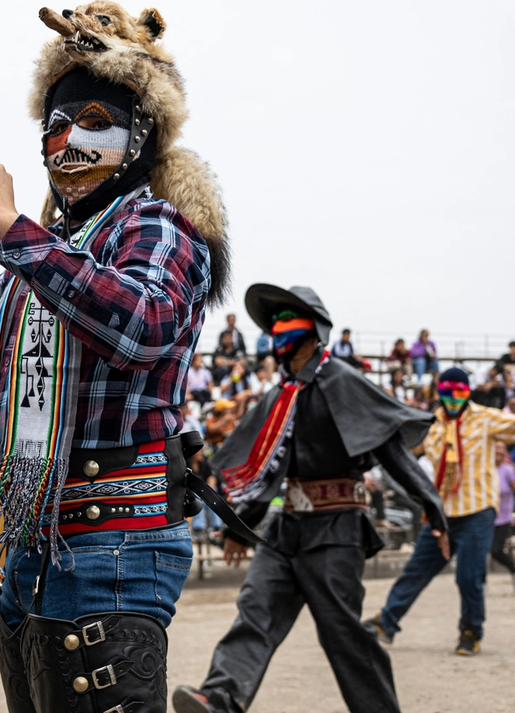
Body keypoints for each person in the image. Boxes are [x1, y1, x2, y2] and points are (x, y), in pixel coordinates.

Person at [0, 3, 232, 711]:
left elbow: (141, 325)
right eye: (55, 126)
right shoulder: (54, 252)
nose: (67, 142)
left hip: (115, 540)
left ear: (140, 133)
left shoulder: (157, 225)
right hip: (41, 536)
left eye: (94, 121)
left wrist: (10, 227)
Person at [173, 284, 447, 713]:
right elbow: (270, 471)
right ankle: (222, 697)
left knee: (343, 634)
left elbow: (392, 451)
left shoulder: (344, 380)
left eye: (289, 320)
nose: (279, 328)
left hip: (337, 532)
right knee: (255, 611)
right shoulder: (280, 396)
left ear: (313, 329)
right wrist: (240, 531)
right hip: (286, 531)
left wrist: (433, 509)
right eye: (275, 322)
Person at [365, 368, 515, 656]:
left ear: (468, 391)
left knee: (469, 575)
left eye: (459, 391)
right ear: (438, 392)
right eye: (446, 391)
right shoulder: (429, 425)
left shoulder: (486, 418)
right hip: (443, 513)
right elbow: (400, 448)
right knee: (415, 570)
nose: (452, 398)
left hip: (478, 511)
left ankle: (470, 630)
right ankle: (386, 623)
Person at [489, 443, 515, 592]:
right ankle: (479, 583)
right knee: (480, 550)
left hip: (504, 518)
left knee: (496, 550)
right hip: (486, 517)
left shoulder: (508, 470)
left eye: (501, 450)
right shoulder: (485, 469)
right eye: (495, 449)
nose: (498, 452)